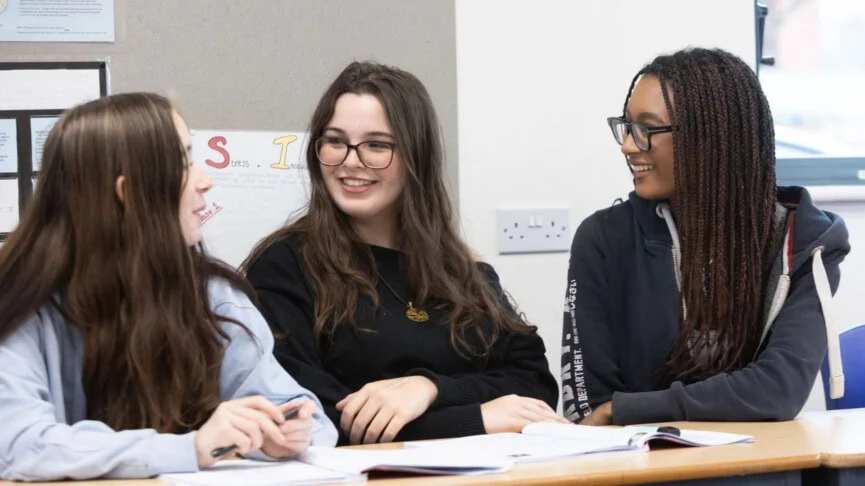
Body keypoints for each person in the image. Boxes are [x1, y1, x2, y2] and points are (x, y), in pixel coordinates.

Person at [0, 93, 337, 481]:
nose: (206, 181)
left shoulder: (214, 296)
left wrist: (288, 431)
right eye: (183, 162)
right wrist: (191, 447)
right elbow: (19, 444)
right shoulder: (20, 303)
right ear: (128, 195)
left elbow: (294, 409)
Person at [242, 61, 565, 446]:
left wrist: (430, 389)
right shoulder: (283, 265)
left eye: (377, 145)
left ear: (417, 156)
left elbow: (534, 389)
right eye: (335, 141)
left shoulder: (461, 267)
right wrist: (474, 418)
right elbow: (310, 420)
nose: (350, 161)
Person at [560, 48, 850, 426]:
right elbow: (588, 407)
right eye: (627, 126)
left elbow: (779, 389)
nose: (629, 145)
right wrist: (617, 412)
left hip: (759, 467)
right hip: (637, 468)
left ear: (710, 138)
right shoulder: (603, 239)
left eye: (647, 129)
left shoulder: (807, 243)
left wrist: (628, 408)